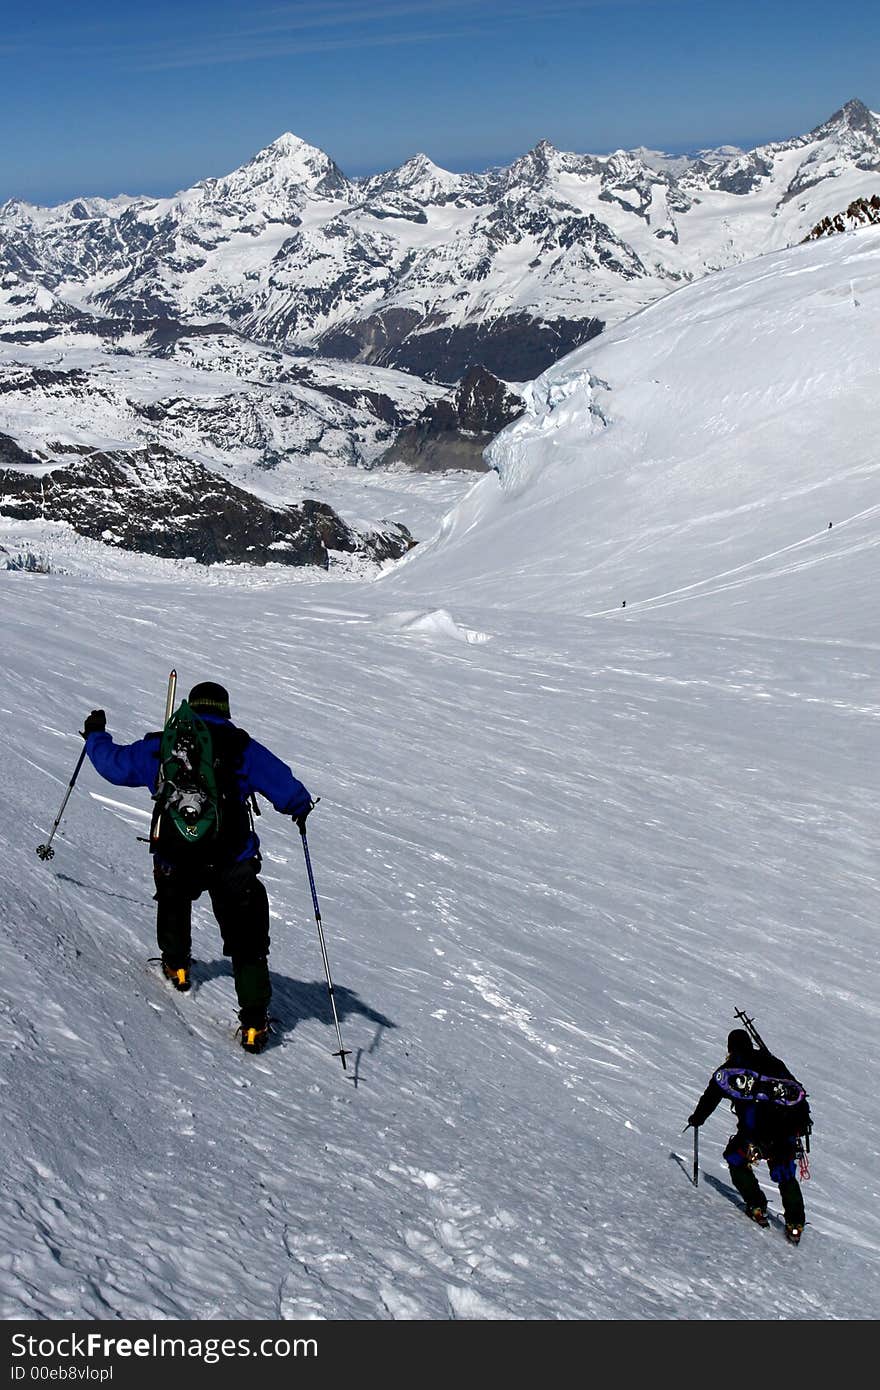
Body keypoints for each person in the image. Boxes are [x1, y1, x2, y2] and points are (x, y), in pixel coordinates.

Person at [81, 681, 313, 1053]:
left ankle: (177, 967)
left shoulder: (164, 745)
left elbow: (114, 766)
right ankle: (253, 1023)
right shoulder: (241, 748)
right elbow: (286, 790)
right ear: (225, 711)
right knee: (247, 938)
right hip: (232, 858)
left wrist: (95, 736)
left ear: (190, 707)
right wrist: (300, 807)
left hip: (177, 853)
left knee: (173, 901)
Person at [687, 1028, 809, 1244]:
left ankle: (757, 1207)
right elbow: (797, 1094)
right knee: (784, 1173)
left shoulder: (730, 1070)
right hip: (785, 1131)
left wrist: (697, 1118)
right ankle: (795, 1223)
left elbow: (711, 1096)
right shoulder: (774, 1063)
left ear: (730, 1047)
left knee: (736, 1159)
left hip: (754, 1134)